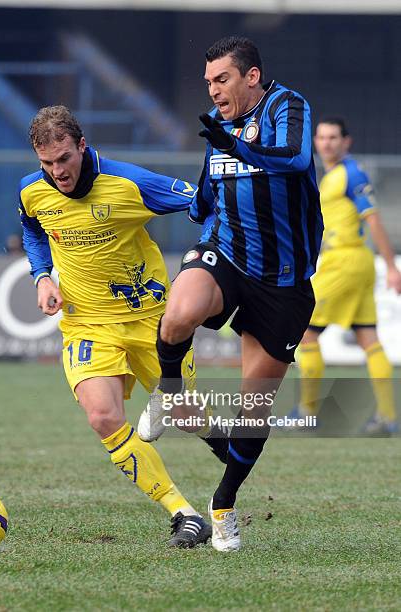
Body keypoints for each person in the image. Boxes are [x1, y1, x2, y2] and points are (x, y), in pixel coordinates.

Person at [138, 36, 323, 552]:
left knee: (253, 409)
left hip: (283, 282)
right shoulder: (218, 129)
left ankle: (223, 504)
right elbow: (205, 194)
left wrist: (235, 146)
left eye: (222, 79)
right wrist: (167, 201)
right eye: (208, 82)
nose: (213, 90)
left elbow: (294, 158)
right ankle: (170, 393)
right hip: (227, 254)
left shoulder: (288, 106)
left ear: (252, 77)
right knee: (178, 315)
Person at [18, 105, 212, 547]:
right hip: (87, 323)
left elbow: (203, 202)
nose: (57, 172)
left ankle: (232, 471)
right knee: (103, 416)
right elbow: (32, 228)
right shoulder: (33, 190)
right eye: (46, 163)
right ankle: (183, 513)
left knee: (189, 417)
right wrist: (42, 275)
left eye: (64, 158)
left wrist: (202, 263)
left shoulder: (129, 183)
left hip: (151, 321)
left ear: (82, 146)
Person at [292, 117, 401, 434]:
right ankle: (387, 417)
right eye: (322, 137)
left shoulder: (350, 174)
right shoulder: (332, 176)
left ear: (346, 142)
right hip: (357, 262)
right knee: (369, 338)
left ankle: (306, 414)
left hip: (345, 261)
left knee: (307, 333)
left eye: (333, 138)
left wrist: (392, 267)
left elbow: (374, 219)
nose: (326, 143)